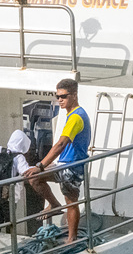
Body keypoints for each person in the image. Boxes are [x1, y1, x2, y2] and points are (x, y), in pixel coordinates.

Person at [23, 79, 90, 243]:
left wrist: (41, 165)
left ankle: (71, 238)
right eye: (57, 96)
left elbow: (60, 144)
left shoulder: (76, 117)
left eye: (64, 96)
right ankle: (54, 205)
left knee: (71, 202)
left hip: (72, 166)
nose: (59, 99)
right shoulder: (73, 115)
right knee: (33, 178)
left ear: (74, 95)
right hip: (64, 164)